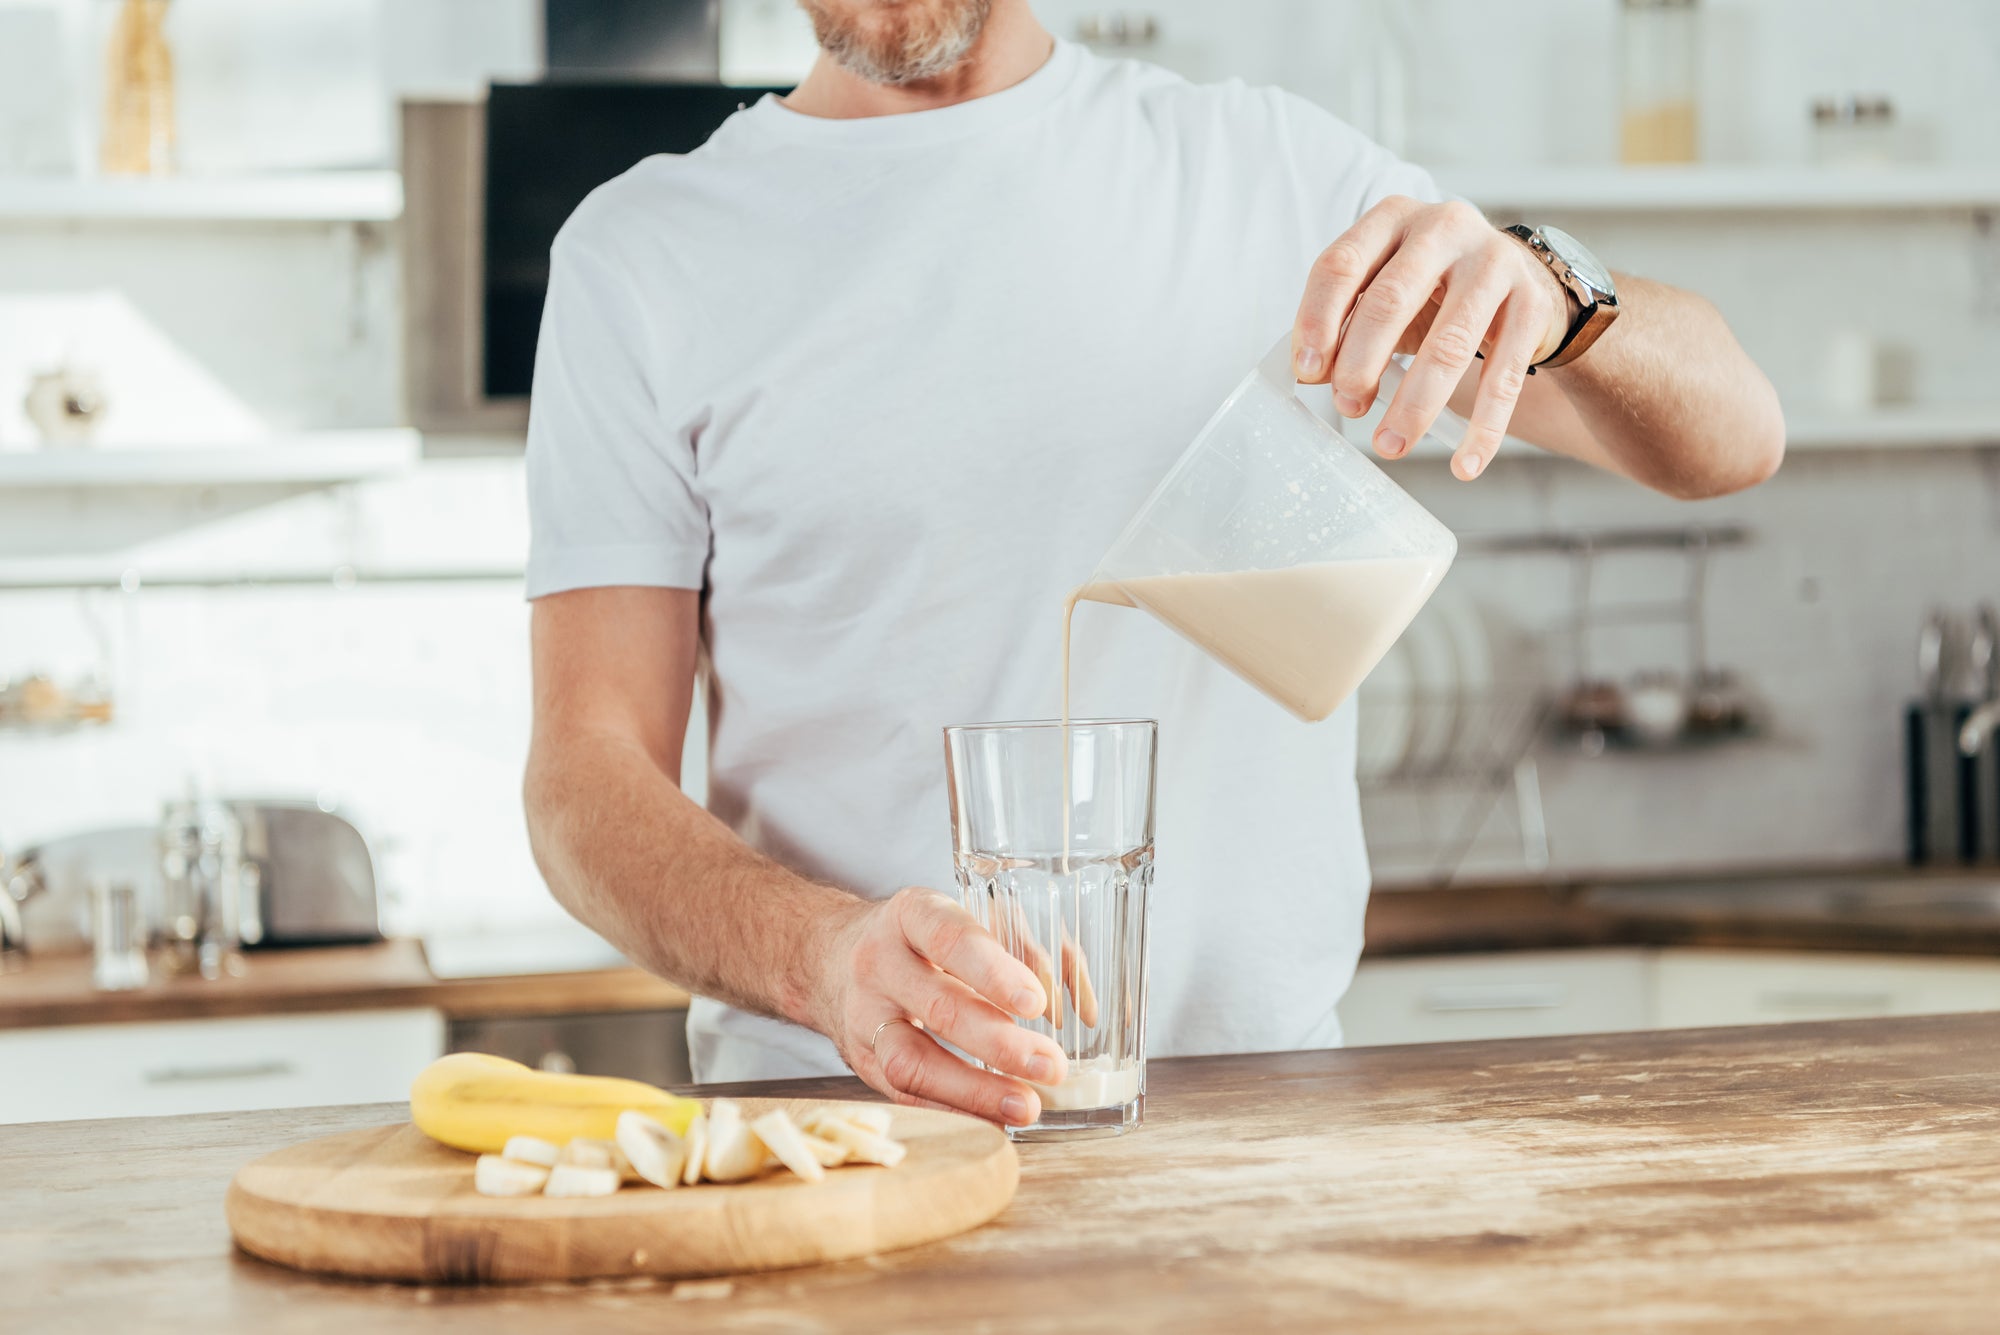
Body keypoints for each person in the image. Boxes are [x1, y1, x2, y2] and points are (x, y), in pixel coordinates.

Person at [522, 0, 1784, 1126]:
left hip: (1259, 1129)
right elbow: (584, 778)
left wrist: (1550, 291)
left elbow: (1732, 436)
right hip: (840, 1133)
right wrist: (825, 960)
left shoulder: (1267, 176)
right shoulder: (644, 256)